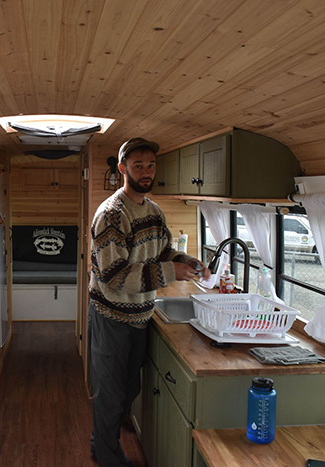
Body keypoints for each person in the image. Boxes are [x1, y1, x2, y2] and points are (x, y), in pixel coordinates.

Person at [88, 137, 211, 466]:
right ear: (122, 168)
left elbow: (164, 252)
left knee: (129, 388)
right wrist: (173, 271)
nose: (145, 172)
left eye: (150, 165)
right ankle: (108, 456)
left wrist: (189, 261)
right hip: (111, 315)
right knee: (111, 394)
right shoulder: (111, 215)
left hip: (141, 315)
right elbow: (115, 276)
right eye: (138, 165)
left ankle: (101, 437)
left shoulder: (154, 211)